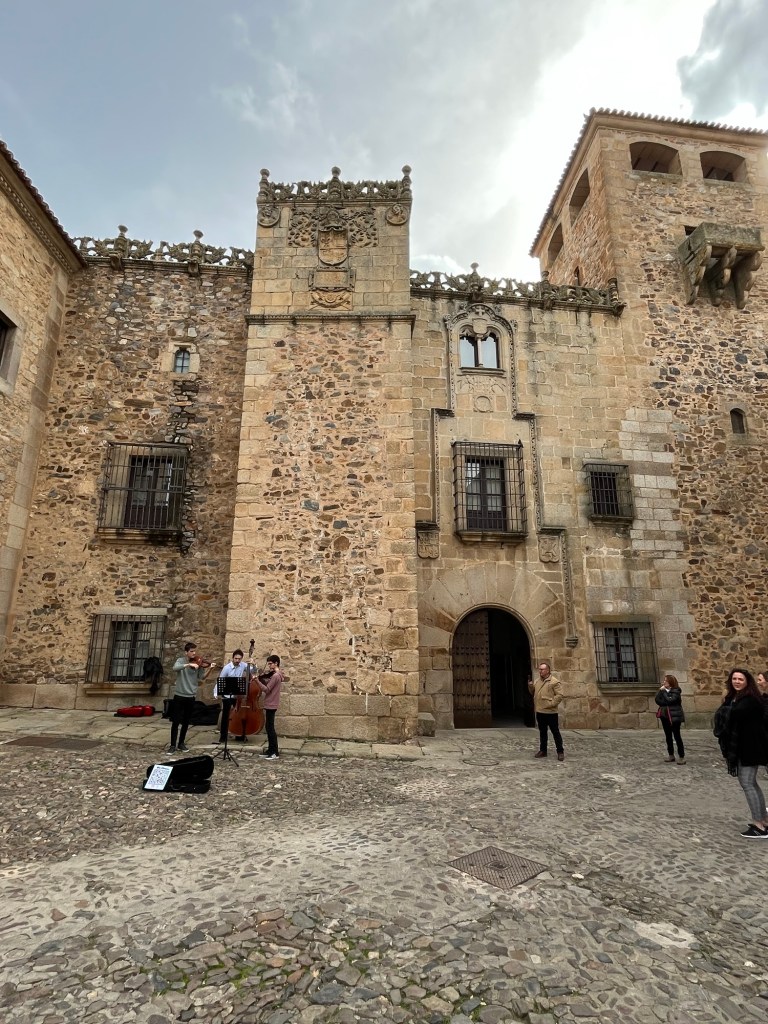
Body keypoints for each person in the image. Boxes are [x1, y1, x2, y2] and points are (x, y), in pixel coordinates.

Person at [713, 668, 768, 839]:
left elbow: (733, 714)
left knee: (747, 783)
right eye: (734, 679)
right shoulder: (735, 698)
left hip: (749, 747)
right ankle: (763, 820)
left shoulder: (749, 699)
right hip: (740, 747)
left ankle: (759, 825)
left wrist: (725, 706)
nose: (737, 682)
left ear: (747, 682)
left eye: (740, 679)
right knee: (751, 783)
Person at [168, 642, 216, 754]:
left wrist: (210, 669)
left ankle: (181, 743)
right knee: (175, 721)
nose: (194, 653)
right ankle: (172, 745)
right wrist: (188, 665)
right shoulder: (181, 661)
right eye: (191, 651)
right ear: (186, 652)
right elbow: (175, 668)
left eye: (195, 651)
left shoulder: (199, 663)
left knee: (186, 721)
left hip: (191, 696)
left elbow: (202, 677)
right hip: (179, 695)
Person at [215, 648, 257, 743]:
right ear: (233, 658)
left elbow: (253, 671)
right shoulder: (227, 668)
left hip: (237, 695)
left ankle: (238, 734)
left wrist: (253, 664)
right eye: (236, 658)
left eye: (239, 659)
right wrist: (216, 692)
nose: (237, 660)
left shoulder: (243, 665)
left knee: (238, 715)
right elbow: (221, 679)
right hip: (227, 695)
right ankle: (223, 736)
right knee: (226, 715)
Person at [528, 661, 565, 761]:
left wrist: (551, 704)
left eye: (542, 669)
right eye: (539, 669)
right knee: (542, 732)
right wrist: (530, 686)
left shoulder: (554, 682)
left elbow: (559, 695)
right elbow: (533, 693)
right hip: (540, 711)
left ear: (548, 670)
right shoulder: (537, 681)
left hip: (551, 712)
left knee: (555, 732)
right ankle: (543, 750)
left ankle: (560, 751)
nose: (540, 671)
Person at [256, 655, 284, 760]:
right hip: (271, 703)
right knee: (268, 727)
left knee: (270, 728)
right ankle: (270, 750)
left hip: (271, 704)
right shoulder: (278, 674)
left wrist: (256, 680)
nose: (269, 665)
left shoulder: (276, 676)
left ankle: (274, 752)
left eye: (270, 663)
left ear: (276, 663)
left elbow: (267, 690)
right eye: (268, 664)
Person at [654, 674, 686, 764]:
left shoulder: (676, 691)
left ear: (670, 682)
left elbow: (670, 700)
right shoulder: (663, 691)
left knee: (677, 736)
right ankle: (671, 755)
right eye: (664, 680)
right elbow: (658, 700)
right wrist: (661, 692)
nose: (664, 682)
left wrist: (664, 693)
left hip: (674, 716)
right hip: (665, 716)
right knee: (668, 736)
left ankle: (681, 756)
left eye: (666, 680)